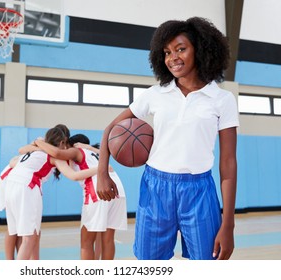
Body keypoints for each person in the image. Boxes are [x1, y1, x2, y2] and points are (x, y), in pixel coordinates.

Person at [96, 17, 239, 260]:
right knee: (149, 263)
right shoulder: (156, 94)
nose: (173, 57)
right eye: (167, 52)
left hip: (199, 190)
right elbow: (111, 128)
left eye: (181, 49)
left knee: (208, 262)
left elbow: (228, 164)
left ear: (201, 49)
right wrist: (102, 173)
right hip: (155, 187)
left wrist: (229, 225)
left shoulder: (221, 100)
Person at [4, 127, 98, 260]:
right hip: (27, 186)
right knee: (29, 238)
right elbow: (74, 175)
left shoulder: (32, 152)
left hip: (10, 184)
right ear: (61, 143)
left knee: (30, 233)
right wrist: (98, 169)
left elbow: (13, 161)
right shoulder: (54, 156)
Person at [32, 133, 128, 260]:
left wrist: (39, 142)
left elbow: (58, 154)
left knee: (86, 242)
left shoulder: (76, 151)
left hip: (98, 190)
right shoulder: (94, 153)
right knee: (108, 239)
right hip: (117, 189)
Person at [0, 155, 22, 260]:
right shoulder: (35, 154)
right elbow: (13, 163)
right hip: (10, 185)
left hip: (14, 185)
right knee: (13, 228)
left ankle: (22, 257)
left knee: (20, 229)